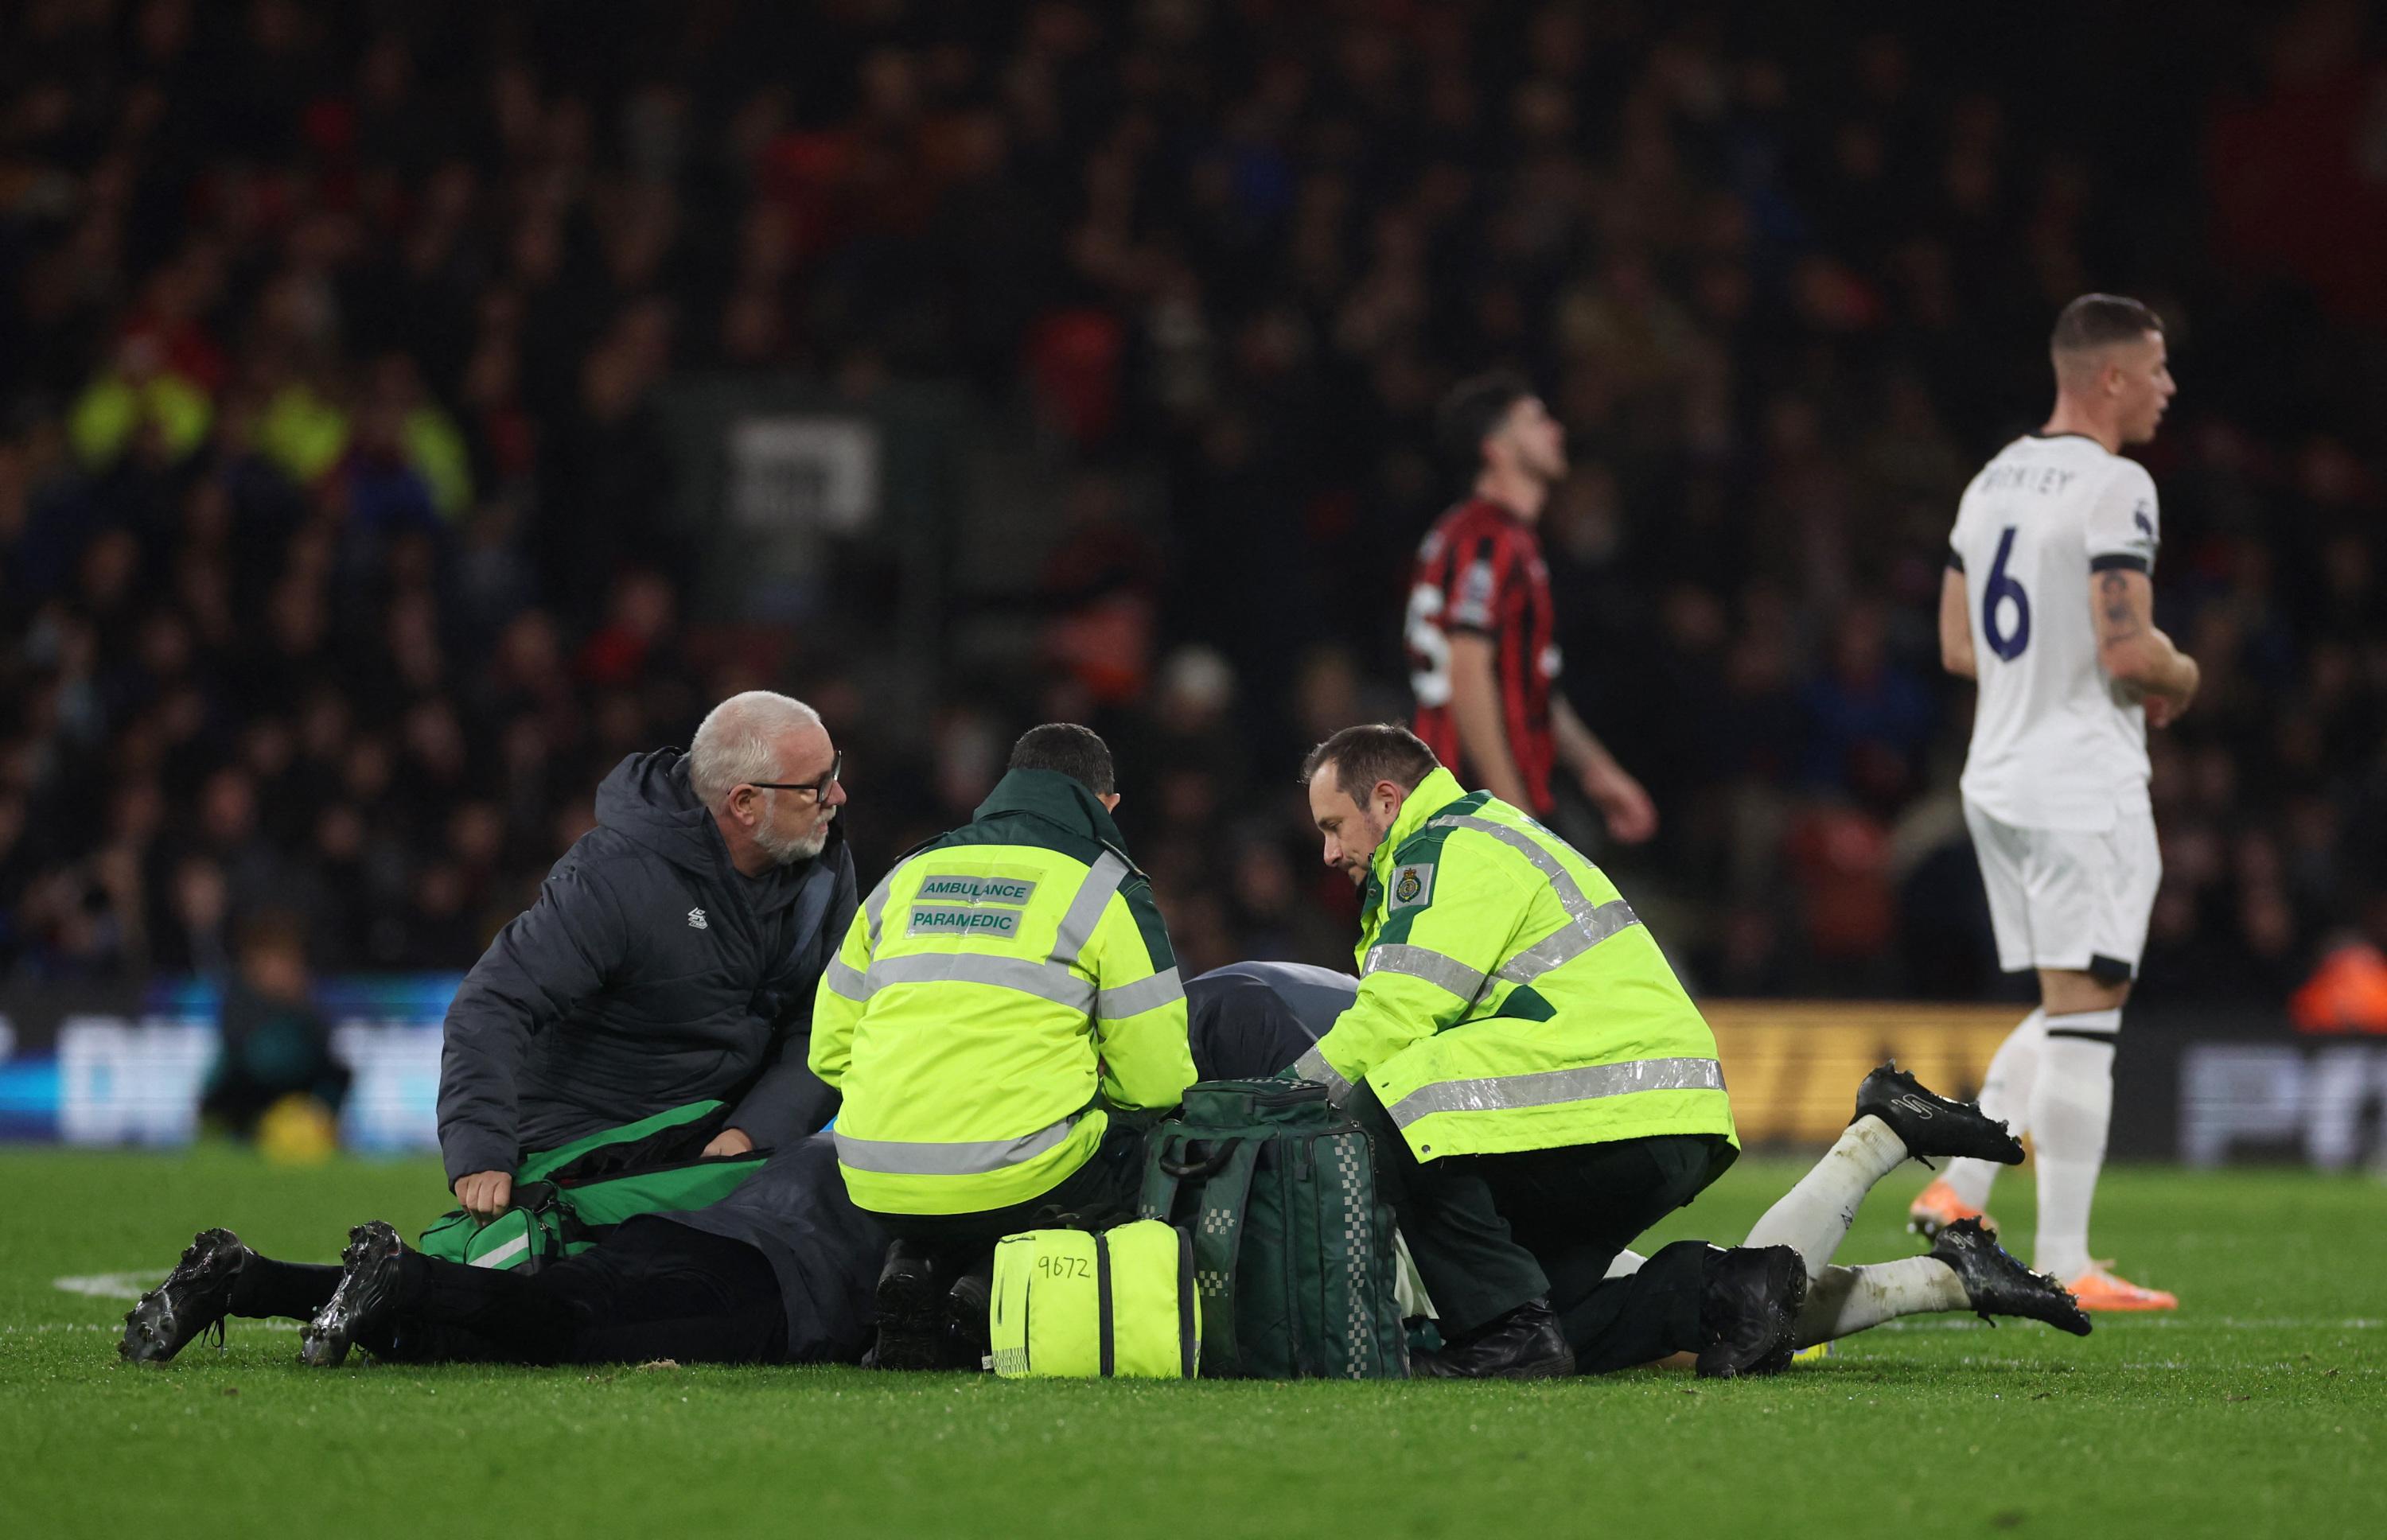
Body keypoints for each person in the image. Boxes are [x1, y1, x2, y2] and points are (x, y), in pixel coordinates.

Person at [1186, 966, 2091, 1361]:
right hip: (1502, 1119)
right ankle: (1939, 1257)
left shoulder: (1227, 1029)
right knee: (1703, 1305)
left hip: (1478, 1152)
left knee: (1678, 1315)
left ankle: (1887, 1158)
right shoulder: (1257, 997)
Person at [1291, 722, 1796, 1379]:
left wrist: (1283, 1097)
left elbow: (1399, 1011)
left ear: (1386, 800)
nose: (1329, 853)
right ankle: (1722, 1291)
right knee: (1537, 1314)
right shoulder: (1487, 834)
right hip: (1657, 1110)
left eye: (1334, 826)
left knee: (1389, 1098)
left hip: (1609, 1101)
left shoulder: (1443, 849)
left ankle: (1506, 1332)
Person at [1910, 295, 2197, 1312]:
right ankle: (2067, 1256)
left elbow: (1956, 644)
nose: (2168, 386)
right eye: (2157, 369)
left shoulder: (1992, 480)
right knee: (2087, 1019)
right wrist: (2183, 674)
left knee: (2073, 1002)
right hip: (2081, 780)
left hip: (1998, 775)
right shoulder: (2119, 484)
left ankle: (1963, 1184)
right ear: (2110, 376)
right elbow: (2129, 650)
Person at [809, 723, 1196, 1369]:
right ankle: (993, 1284)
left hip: (875, 1174)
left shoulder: (909, 871)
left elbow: (827, 1051)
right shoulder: (1106, 887)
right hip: (1018, 1180)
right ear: (1107, 805)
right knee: (1141, 1143)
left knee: (986, 1169)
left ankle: (915, 1265)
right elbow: (1158, 1082)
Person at [426, 689, 856, 1265]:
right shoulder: (615, 879)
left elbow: (825, 1026)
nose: (838, 796)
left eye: (834, 773)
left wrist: (752, 1132)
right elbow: (493, 1003)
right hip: (589, 1144)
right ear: (746, 803)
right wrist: (480, 1150)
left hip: (712, 1141)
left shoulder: (825, 868)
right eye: (816, 784)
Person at [119, 1136, 882, 1369]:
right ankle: (402, 1276)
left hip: (680, 1234)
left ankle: (252, 1280)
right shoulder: (959, 1187)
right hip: (765, 1291)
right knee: (567, 1328)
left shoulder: (844, 1144)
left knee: (470, 1336)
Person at [1404, 373, 1656, 843]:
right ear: (1496, 448)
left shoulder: (1502, 538)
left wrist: (1597, 769)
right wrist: (1514, 815)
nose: (1555, 430)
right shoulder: (1486, 538)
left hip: (1492, 803)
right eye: (1535, 420)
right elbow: (1467, 672)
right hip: (1472, 810)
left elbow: (1525, 682)